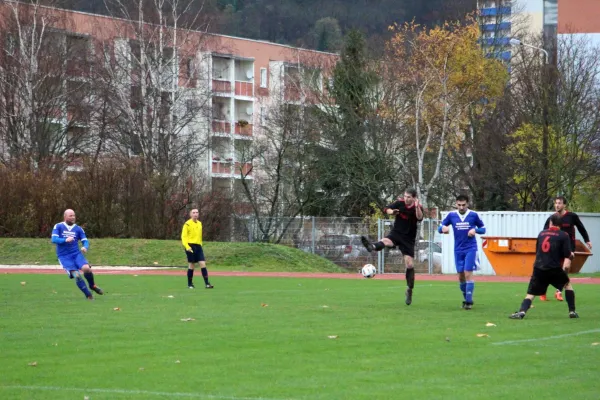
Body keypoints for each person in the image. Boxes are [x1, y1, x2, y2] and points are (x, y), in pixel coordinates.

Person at [361, 189, 424, 305]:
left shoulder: (418, 207)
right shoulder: (399, 203)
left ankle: (409, 290)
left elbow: (420, 218)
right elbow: (387, 209)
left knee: (409, 264)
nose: (406, 199)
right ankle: (372, 246)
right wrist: (391, 212)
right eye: (405, 196)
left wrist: (416, 207)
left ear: (414, 198)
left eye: (409, 197)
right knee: (386, 240)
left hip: (408, 239)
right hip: (396, 233)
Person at [509, 214, 578, 319]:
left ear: (550, 223)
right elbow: (567, 254)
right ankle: (572, 311)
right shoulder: (563, 235)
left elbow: (537, 251)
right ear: (561, 225)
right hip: (554, 268)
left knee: (531, 293)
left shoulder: (541, 233)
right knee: (567, 285)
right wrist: (572, 255)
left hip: (539, 267)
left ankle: (522, 312)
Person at [539, 196, 592, 302]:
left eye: (559, 203)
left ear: (564, 205)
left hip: (569, 246)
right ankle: (543, 290)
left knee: (566, 267)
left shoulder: (572, 216)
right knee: (551, 269)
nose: (557, 205)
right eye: (556, 203)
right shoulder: (552, 218)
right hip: (555, 248)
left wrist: (587, 240)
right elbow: (544, 232)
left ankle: (558, 291)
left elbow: (581, 228)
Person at [438, 195, 486, 310]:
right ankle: (466, 298)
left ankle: (469, 302)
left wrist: (475, 230)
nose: (461, 207)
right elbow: (440, 227)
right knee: (461, 276)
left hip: (471, 248)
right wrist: (443, 229)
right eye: (459, 205)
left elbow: (483, 229)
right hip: (458, 249)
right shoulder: (452, 215)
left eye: (463, 205)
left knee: (467, 273)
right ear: (456, 204)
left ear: (467, 204)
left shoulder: (473, 215)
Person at [51, 209, 103, 300]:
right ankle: (88, 295)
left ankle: (92, 285)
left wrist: (85, 247)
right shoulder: (58, 226)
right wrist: (65, 240)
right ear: (65, 217)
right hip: (64, 257)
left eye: (74, 215)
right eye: (70, 216)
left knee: (86, 268)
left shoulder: (78, 229)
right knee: (77, 275)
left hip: (76, 254)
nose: (73, 217)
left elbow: (85, 241)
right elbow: (54, 239)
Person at [181, 208, 213, 289]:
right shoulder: (187, 224)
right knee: (192, 265)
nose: (195, 214)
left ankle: (207, 284)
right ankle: (190, 284)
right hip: (190, 246)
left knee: (203, 264)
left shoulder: (200, 223)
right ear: (190, 214)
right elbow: (183, 237)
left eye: (197, 212)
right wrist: (187, 247)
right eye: (193, 212)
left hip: (198, 246)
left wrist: (200, 244)